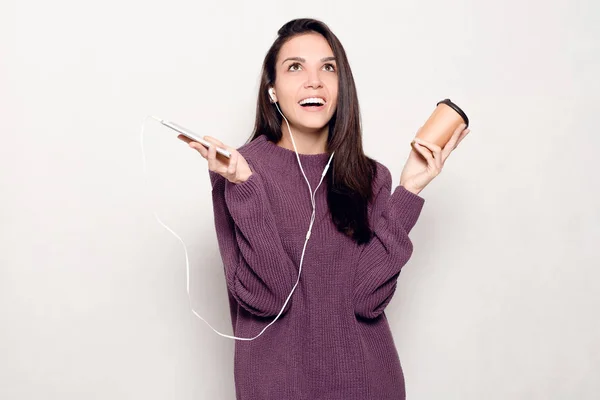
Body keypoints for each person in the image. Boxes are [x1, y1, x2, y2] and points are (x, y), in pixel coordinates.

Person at [180, 18, 470, 400]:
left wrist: (409, 190)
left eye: (328, 68)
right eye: (295, 67)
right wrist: (246, 188)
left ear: (340, 87)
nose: (313, 80)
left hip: (370, 386)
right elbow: (267, 297)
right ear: (272, 90)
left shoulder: (371, 178)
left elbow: (366, 300)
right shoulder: (237, 171)